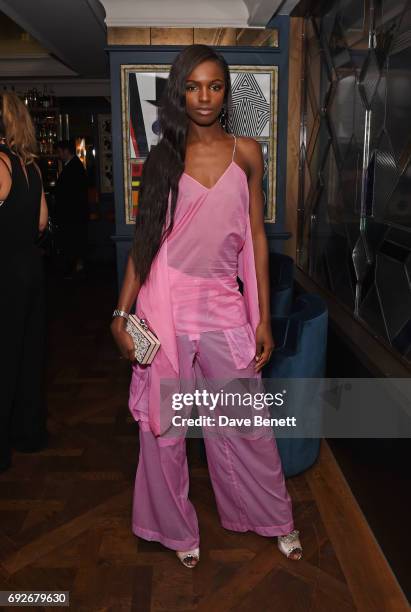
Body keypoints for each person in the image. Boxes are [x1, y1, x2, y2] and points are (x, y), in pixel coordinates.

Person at [111, 44, 303, 567]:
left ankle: (269, 517)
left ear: (226, 93)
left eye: (214, 86)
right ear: (180, 92)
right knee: (166, 432)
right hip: (166, 308)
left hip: (223, 304)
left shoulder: (248, 153)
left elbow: (257, 238)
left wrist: (260, 317)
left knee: (245, 422)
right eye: (193, 86)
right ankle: (174, 529)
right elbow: (144, 243)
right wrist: (120, 315)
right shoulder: (163, 159)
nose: (203, 96)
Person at [0, 92, 49, 472]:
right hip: (31, 267)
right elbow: (40, 223)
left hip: (6, 270)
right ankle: (28, 433)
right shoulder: (30, 166)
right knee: (28, 354)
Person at [54, 139, 88, 278]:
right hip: (75, 214)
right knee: (74, 243)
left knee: (71, 244)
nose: (58, 155)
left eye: (59, 152)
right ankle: (75, 269)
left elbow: (67, 193)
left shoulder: (72, 167)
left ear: (66, 151)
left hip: (71, 214)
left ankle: (72, 271)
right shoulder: (75, 165)